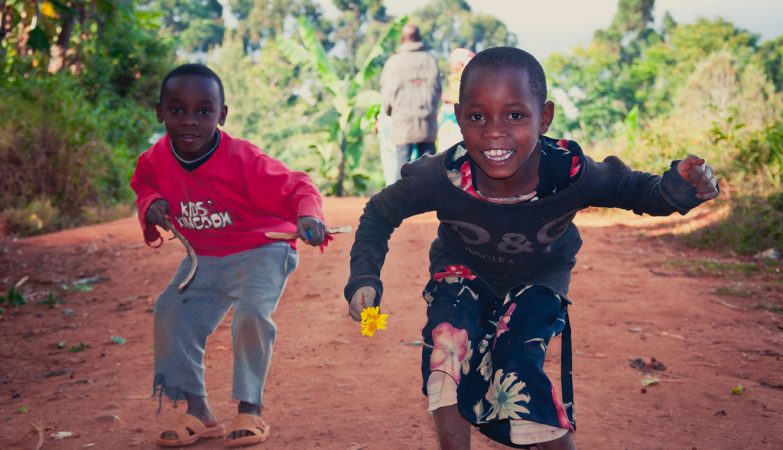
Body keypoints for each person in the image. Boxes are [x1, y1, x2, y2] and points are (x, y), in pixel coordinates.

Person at [344, 47, 719, 450]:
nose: (494, 131)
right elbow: (379, 214)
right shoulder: (443, 176)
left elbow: (635, 190)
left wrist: (677, 190)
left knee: (517, 368)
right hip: (462, 272)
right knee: (446, 350)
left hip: (539, 278)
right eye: (477, 116)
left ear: (544, 118)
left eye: (515, 115)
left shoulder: (569, 171)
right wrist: (364, 276)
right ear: (458, 117)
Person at [130, 63, 327, 448]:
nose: (189, 121)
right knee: (172, 310)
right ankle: (199, 412)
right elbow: (145, 185)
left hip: (262, 247)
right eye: (177, 110)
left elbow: (299, 186)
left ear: (222, 115)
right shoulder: (155, 158)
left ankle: (249, 410)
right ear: (160, 112)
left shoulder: (243, 159)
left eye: (203, 111)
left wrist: (308, 215)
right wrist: (152, 204)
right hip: (203, 256)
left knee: (252, 313)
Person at [379, 24, 442, 181]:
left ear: (403, 39)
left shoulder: (393, 62)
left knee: (403, 164)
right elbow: (437, 90)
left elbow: (386, 93)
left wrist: (390, 111)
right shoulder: (430, 60)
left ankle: (402, 203)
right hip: (426, 119)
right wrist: (431, 109)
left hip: (402, 120)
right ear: (419, 38)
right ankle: (428, 201)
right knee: (428, 165)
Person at [437, 48, 475, 152]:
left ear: (461, 63)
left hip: (456, 123)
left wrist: (449, 99)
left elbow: (464, 100)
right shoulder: (457, 79)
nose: (451, 65)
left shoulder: (466, 80)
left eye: (453, 63)